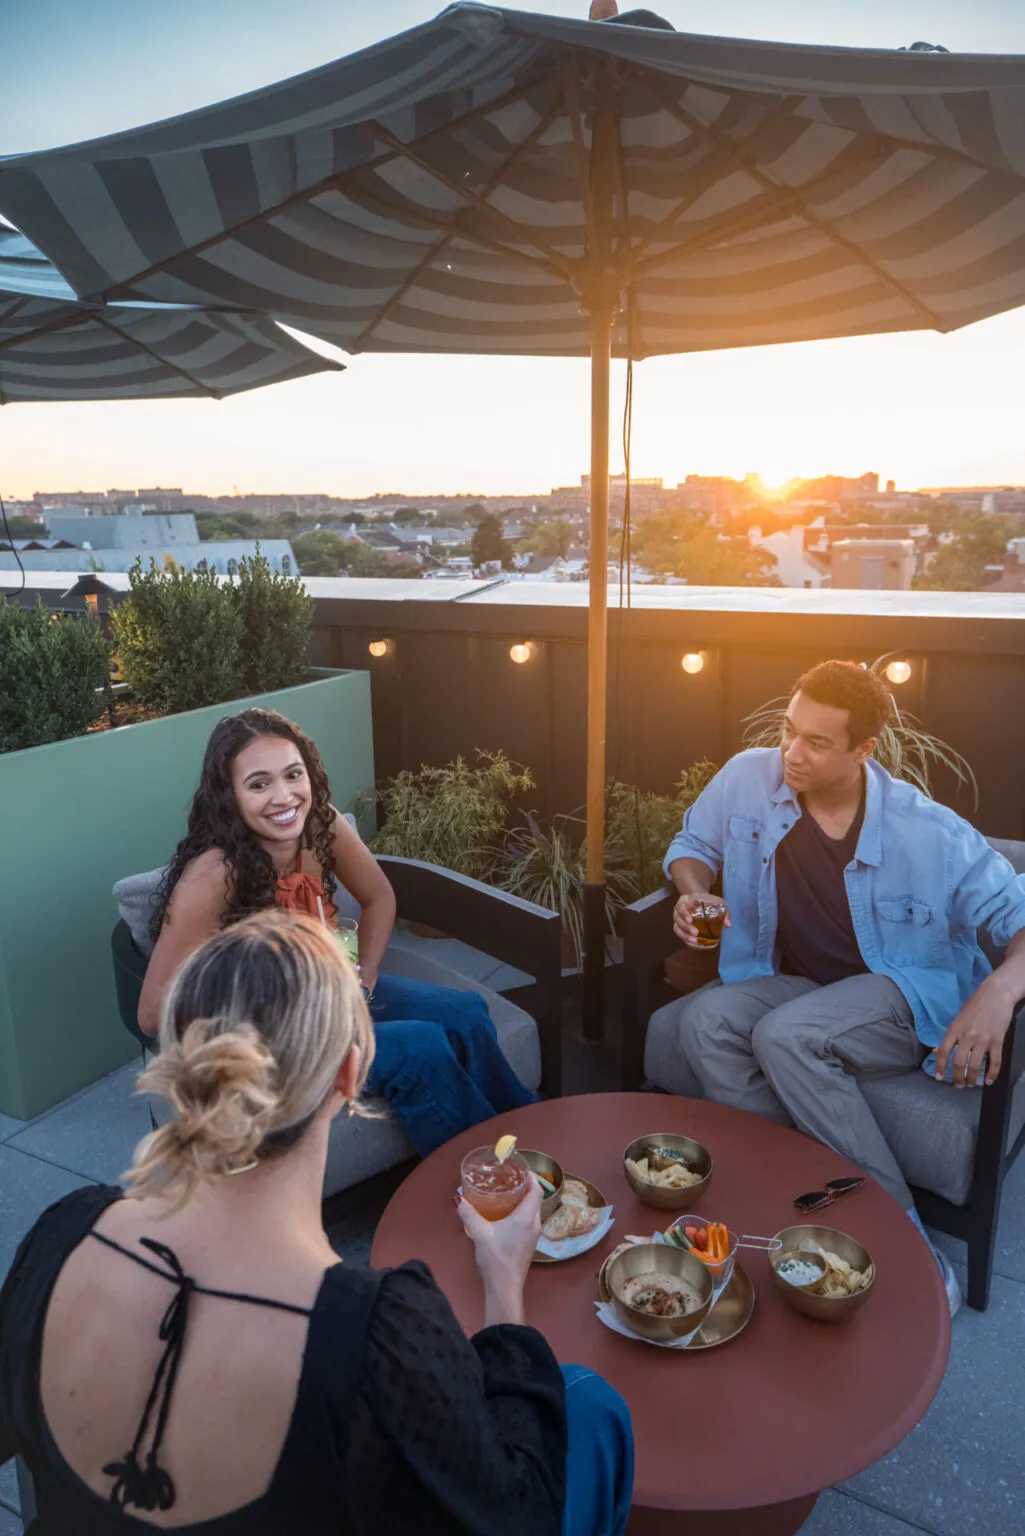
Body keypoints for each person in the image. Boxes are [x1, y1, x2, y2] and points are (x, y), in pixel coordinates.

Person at [0, 913, 634, 1533]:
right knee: (587, 1400)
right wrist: (503, 1288)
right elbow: (520, 1514)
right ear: (350, 1075)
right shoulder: (376, 1335)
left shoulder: (63, 1233)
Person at [661, 660, 1025, 1315]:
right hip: (798, 982)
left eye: (816, 742)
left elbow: (1017, 913)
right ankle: (791, 1194)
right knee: (704, 1021)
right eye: (788, 730)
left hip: (900, 995)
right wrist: (692, 892)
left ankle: (907, 1241)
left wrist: (999, 992)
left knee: (786, 1036)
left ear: (863, 751)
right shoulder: (748, 778)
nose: (791, 753)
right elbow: (693, 844)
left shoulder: (927, 831)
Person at [138, 708, 536, 1157]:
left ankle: (533, 1141)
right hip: (270, 1041)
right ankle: (490, 1176)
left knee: (465, 1012)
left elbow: (379, 897)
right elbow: (151, 1014)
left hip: (330, 993)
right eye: (259, 784)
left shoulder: (321, 825)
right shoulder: (212, 878)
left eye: (293, 775)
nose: (284, 797)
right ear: (229, 795)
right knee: (420, 1048)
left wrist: (362, 983)